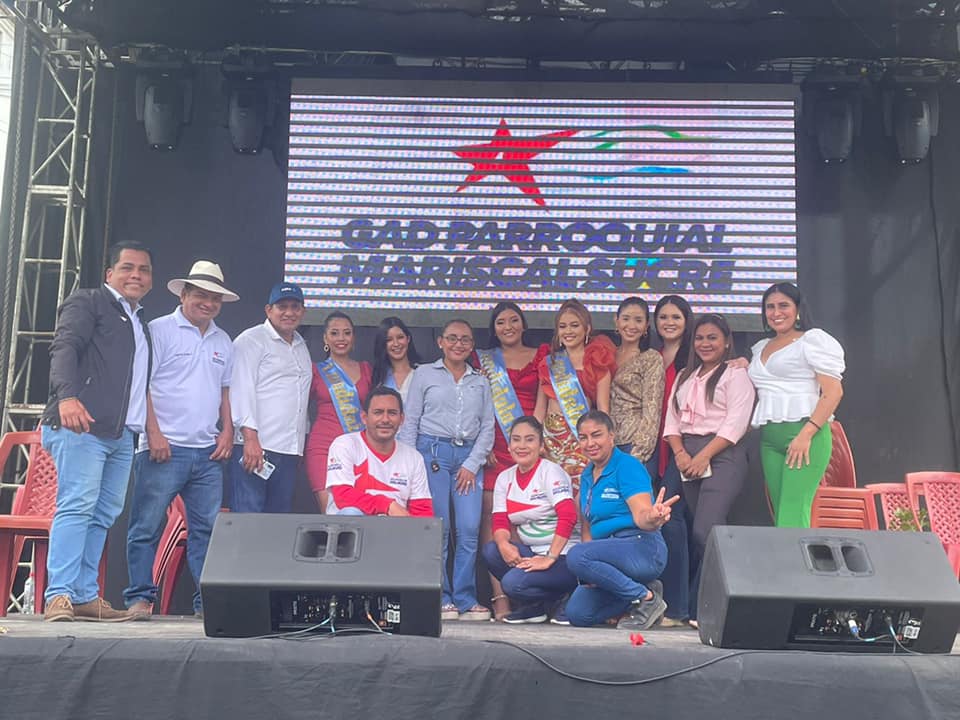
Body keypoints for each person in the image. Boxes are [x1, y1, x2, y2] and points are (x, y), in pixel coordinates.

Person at [39, 241, 154, 622]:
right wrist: (68, 397)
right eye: (127, 267)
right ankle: (58, 594)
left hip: (120, 435)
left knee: (103, 514)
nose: (136, 275)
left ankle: (84, 595)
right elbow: (64, 348)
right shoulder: (89, 302)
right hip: (81, 425)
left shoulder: (138, 322)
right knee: (77, 506)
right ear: (109, 273)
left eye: (144, 270)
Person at [123, 261, 238, 619]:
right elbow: (141, 386)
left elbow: (225, 391)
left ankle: (207, 604)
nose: (208, 303)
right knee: (146, 526)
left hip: (207, 451)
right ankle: (139, 599)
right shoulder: (158, 331)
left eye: (215, 298)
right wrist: (153, 433)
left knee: (207, 531)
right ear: (183, 294)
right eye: (201, 295)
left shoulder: (223, 340)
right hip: (164, 448)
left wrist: (228, 430)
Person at [399, 319, 495, 621]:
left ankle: (465, 597)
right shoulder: (424, 374)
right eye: (452, 338)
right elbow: (410, 420)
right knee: (436, 529)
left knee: (468, 529)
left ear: (472, 345)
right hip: (432, 454)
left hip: (468, 458)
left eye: (465, 339)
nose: (458, 344)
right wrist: (412, 463)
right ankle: (439, 596)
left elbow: (488, 427)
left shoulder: (480, 381)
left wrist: (472, 464)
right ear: (440, 342)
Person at [662, 314, 755, 626]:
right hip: (686, 455)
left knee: (707, 530)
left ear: (726, 341)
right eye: (700, 338)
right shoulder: (685, 376)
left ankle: (714, 606)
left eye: (712, 337)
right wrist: (680, 454)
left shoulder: (735, 374)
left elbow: (736, 423)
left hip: (722, 453)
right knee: (696, 532)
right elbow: (672, 422)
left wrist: (703, 456)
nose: (705, 344)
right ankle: (694, 608)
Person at [564, 411, 678, 629]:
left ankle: (647, 599)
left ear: (612, 436)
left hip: (641, 547)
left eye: (597, 435)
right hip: (608, 554)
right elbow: (587, 527)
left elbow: (642, 516)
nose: (590, 443)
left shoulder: (627, 466)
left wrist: (654, 516)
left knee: (576, 555)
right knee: (578, 614)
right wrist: (589, 570)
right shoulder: (587, 475)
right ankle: (644, 590)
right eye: (583, 437)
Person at [474, 302, 549, 620]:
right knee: (494, 520)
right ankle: (500, 596)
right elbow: (476, 402)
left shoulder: (542, 355)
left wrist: (537, 441)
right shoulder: (483, 360)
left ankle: (528, 593)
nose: (508, 326)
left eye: (514, 320)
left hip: (529, 443)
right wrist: (483, 444)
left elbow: (544, 399)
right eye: (501, 322)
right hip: (495, 445)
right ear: (493, 328)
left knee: (530, 517)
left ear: (524, 324)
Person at [748, 282, 845, 528]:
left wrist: (806, 434)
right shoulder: (760, 347)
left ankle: (794, 557)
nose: (776, 312)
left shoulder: (811, 341)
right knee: (780, 511)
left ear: (798, 309)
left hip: (804, 434)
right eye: (770, 307)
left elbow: (833, 392)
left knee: (793, 511)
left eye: (783, 305)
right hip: (770, 439)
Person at [481, 416, 578, 624]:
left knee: (513, 583)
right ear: (509, 446)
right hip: (533, 554)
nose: (522, 446)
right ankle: (536, 607)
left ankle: (568, 595)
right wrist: (504, 544)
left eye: (530, 439)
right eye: (516, 440)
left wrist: (550, 558)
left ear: (541, 446)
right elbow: (499, 521)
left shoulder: (551, 472)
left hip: (563, 557)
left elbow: (568, 515)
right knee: (492, 551)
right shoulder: (504, 478)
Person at [227, 282, 312, 513]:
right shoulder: (251, 340)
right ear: (268, 310)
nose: (289, 312)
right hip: (256, 446)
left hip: (288, 451)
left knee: (276, 523)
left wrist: (299, 446)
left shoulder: (301, 345)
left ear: (303, 311)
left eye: (295, 307)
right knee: (248, 520)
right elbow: (240, 391)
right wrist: (250, 439)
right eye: (282, 306)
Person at [535, 299, 616, 494]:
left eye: (574, 325)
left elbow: (603, 409)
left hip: (581, 437)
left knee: (580, 491)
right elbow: (540, 409)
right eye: (563, 326)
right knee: (552, 492)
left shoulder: (597, 361)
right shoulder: (549, 363)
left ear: (587, 328)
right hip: (551, 438)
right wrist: (534, 440)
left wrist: (604, 442)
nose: (568, 331)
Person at [647, 294, 694, 627]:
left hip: (680, 447)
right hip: (648, 447)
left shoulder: (696, 355)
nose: (669, 323)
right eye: (663, 317)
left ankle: (677, 608)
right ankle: (652, 602)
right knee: (650, 524)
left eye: (676, 317)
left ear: (687, 321)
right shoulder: (649, 356)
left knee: (673, 520)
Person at [325, 387, 433, 517]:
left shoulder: (414, 457)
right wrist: (387, 505)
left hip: (395, 526)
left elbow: (422, 510)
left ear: (402, 419)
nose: (385, 419)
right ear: (364, 417)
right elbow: (343, 496)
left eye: (392, 413)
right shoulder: (345, 444)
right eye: (378, 413)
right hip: (352, 526)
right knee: (350, 512)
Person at [305, 312, 373, 512]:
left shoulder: (367, 369)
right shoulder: (315, 370)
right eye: (334, 333)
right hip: (324, 447)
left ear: (354, 337)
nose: (341, 338)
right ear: (325, 338)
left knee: (358, 511)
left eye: (347, 333)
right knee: (332, 513)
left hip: (359, 448)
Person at [610, 297, 665, 464]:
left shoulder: (651, 358)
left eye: (638, 320)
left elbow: (652, 409)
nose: (631, 325)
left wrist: (638, 453)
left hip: (635, 444)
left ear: (646, 325)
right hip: (606, 443)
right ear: (616, 321)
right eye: (626, 319)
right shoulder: (606, 354)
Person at [370, 317, 421, 404]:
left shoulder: (422, 373)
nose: (396, 344)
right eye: (389, 340)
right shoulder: (377, 377)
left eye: (400, 337)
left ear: (408, 339)